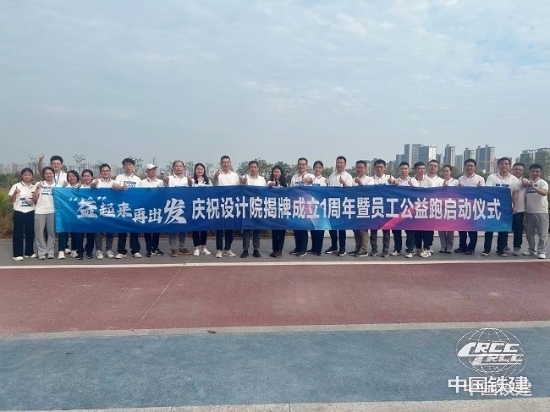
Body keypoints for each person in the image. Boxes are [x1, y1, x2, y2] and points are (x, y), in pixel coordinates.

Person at [483, 157, 519, 257]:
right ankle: (487, 249)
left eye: (506, 164)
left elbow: (515, 194)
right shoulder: (492, 177)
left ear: (509, 166)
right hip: (492, 206)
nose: (504, 165)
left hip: (506, 208)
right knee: (489, 229)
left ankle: (500, 250)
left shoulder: (514, 179)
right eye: (501, 164)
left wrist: (515, 206)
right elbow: (488, 191)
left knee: (503, 229)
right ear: (498, 165)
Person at [38, 153, 69, 258]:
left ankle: (63, 247)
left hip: (61, 206)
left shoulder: (65, 175)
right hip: (48, 205)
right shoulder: (48, 174)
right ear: (51, 164)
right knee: (49, 229)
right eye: (54, 163)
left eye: (58, 163)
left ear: (62, 165)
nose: (56, 165)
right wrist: (40, 160)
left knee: (61, 227)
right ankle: (49, 248)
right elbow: (41, 170)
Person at [90, 164, 121, 259]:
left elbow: (117, 189)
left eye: (107, 171)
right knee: (98, 231)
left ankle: (108, 249)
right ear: (100, 172)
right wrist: (94, 184)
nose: (105, 172)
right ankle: (99, 250)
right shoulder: (97, 181)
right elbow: (92, 187)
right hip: (98, 210)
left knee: (109, 230)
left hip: (110, 209)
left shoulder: (114, 182)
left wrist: (120, 187)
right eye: (103, 171)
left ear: (110, 172)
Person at [114, 158, 142, 258]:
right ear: (123, 166)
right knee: (122, 230)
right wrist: (121, 188)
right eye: (126, 165)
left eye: (130, 165)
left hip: (134, 207)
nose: (128, 167)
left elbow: (141, 193)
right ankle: (121, 251)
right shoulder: (119, 177)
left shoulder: (137, 179)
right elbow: (114, 186)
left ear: (133, 167)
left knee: (134, 229)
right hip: (123, 207)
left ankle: (135, 250)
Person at [212, 155, 240, 258]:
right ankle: (219, 250)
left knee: (229, 228)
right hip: (219, 203)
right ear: (220, 164)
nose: (225, 164)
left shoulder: (235, 175)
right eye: (223, 162)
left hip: (231, 204)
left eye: (227, 162)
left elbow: (237, 189)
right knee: (219, 228)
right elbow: (213, 184)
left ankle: (228, 249)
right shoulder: (217, 174)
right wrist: (215, 177)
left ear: (230, 163)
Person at [456, 159, 485, 255]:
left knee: (472, 229)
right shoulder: (460, 179)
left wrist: (480, 189)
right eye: (468, 165)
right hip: (462, 207)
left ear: (475, 167)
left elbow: (484, 193)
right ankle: (462, 246)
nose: (469, 167)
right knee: (462, 229)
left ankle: (471, 248)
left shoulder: (480, 179)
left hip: (474, 208)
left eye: (472, 166)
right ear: (464, 167)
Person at [325, 156, 353, 256]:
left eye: (341, 163)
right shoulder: (332, 176)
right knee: (332, 227)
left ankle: (342, 247)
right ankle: (334, 246)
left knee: (341, 227)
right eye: (338, 163)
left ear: (345, 164)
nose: (339, 164)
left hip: (342, 205)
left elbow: (351, 190)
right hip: (332, 205)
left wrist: (344, 183)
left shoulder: (348, 176)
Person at [390, 162, 418, 258]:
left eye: (405, 169)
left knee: (410, 231)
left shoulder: (413, 181)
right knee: (396, 231)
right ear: (399, 170)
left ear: (409, 170)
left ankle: (409, 250)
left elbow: (419, 193)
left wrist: (412, 186)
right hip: (397, 209)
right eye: (402, 169)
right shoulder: (395, 181)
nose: (403, 170)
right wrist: (393, 185)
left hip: (409, 210)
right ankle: (397, 249)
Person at [163, 160, 191, 257]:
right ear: (173, 168)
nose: (178, 168)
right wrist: (165, 181)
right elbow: (165, 186)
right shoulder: (169, 178)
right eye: (176, 166)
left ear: (183, 168)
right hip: (173, 206)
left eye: (180, 166)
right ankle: (173, 248)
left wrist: (190, 182)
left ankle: (182, 247)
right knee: (173, 228)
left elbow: (191, 190)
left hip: (184, 206)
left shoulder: (187, 179)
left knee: (183, 227)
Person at [240, 160, 267, 258]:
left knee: (257, 229)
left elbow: (265, 193)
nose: (253, 169)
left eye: (255, 167)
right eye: (251, 167)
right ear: (249, 168)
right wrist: (243, 182)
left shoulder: (262, 180)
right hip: (247, 207)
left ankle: (256, 249)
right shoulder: (245, 178)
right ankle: (245, 249)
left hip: (258, 207)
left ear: (258, 168)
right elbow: (241, 187)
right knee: (246, 229)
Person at [369, 159, 394, 257]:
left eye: (381, 167)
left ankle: (385, 249)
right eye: (377, 167)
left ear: (385, 168)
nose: (379, 169)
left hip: (386, 208)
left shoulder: (389, 178)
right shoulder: (371, 180)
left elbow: (398, 187)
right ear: (374, 168)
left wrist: (394, 182)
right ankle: (374, 249)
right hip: (374, 208)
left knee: (386, 231)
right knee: (373, 230)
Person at [9, 168, 36, 261]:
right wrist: (15, 193)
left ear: (32, 176)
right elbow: (11, 200)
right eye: (25, 175)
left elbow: (36, 199)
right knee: (18, 233)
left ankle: (29, 252)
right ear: (22, 176)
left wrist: (33, 201)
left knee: (30, 232)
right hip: (19, 211)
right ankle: (17, 254)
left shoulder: (34, 187)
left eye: (29, 175)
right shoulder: (16, 186)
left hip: (30, 211)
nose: (27, 177)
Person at [289, 157, 314, 257]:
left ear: (307, 166)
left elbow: (311, 180)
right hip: (296, 205)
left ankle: (303, 249)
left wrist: (306, 180)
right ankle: (298, 247)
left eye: (303, 164)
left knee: (303, 228)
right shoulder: (294, 177)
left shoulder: (310, 175)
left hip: (306, 207)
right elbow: (291, 190)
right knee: (296, 227)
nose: (301, 166)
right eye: (300, 164)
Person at [523, 164, 548, 259]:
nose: (535, 173)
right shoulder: (527, 183)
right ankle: (531, 250)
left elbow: (544, 193)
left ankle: (541, 251)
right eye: (533, 171)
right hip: (529, 211)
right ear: (529, 172)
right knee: (529, 233)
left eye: (537, 171)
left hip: (541, 211)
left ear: (540, 173)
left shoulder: (543, 183)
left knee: (542, 233)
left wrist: (534, 187)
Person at [32, 167, 57, 260]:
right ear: (43, 175)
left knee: (51, 232)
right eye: (46, 173)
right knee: (39, 233)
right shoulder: (39, 184)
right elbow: (34, 198)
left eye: (50, 173)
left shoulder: (57, 185)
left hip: (52, 211)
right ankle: (41, 252)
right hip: (40, 211)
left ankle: (50, 251)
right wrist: (37, 188)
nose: (49, 175)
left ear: (53, 174)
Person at [141, 164, 165, 257]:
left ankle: (155, 247)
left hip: (157, 208)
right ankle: (149, 248)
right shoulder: (142, 182)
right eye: (150, 170)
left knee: (156, 229)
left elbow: (163, 194)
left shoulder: (160, 182)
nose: (153, 171)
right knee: (147, 229)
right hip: (146, 208)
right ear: (146, 171)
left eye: (154, 169)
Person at [189, 163, 212, 256]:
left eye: (201, 169)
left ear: (204, 170)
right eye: (198, 169)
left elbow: (212, 193)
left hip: (205, 206)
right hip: (194, 206)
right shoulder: (191, 180)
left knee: (204, 228)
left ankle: (204, 247)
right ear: (195, 170)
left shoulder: (208, 181)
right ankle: (196, 248)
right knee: (195, 228)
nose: (199, 171)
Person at [412, 161, 433, 258]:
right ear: (415, 170)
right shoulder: (411, 180)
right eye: (420, 169)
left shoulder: (429, 181)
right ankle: (418, 247)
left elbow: (432, 194)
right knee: (417, 230)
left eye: (423, 169)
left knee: (427, 230)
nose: (422, 170)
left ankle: (427, 248)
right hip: (415, 210)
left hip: (426, 209)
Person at [352, 160, 373, 257]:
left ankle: (364, 249)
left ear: (365, 169)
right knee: (355, 229)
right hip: (354, 206)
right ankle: (358, 247)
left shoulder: (369, 179)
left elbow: (368, 192)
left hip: (365, 207)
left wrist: (360, 183)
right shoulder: (353, 180)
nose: (359, 169)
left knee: (363, 229)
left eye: (361, 168)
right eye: (357, 168)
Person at [268, 165, 288, 257]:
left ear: (281, 173)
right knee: (274, 231)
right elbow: (269, 184)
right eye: (275, 172)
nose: (277, 173)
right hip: (273, 210)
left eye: (278, 172)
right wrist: (272, 184)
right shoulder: (269, 182)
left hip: (283, 210)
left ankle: (280, 250)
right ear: (272, 173)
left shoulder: (285, 184)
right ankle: (274, 249)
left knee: (282, 231)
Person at [438, 165, 458, 253]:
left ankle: (449, 247)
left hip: (452, 208)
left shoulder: (456, 182)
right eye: (444, 171)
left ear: (451, 172)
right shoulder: (439, 181)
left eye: (447, 171)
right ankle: (443, 246)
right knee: (441, 228)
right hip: (440, 207)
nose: (445, 173)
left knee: (450, 229)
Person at [309, 160, 326, 256]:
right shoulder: (310, 178)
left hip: (320, 207)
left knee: (320, 228)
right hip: (311, 207)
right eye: (316, 167)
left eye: (319, 167)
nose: (318, 169)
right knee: (312, 228)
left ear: (322, 169)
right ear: (313, 168)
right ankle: (313, 248)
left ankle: (318, 249)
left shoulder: (324, 180)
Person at [511, 162, 527, 255]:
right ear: (512, 170)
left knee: (518, 229)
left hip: (519, 209)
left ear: (523, 171)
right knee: (504, 227)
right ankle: (503, 245)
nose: (517, 171)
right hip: (506, 208)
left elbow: (527, 185)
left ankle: (517, 247)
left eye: (520, 170)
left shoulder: (525, 181)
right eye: (516, 169)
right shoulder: (509, 180)